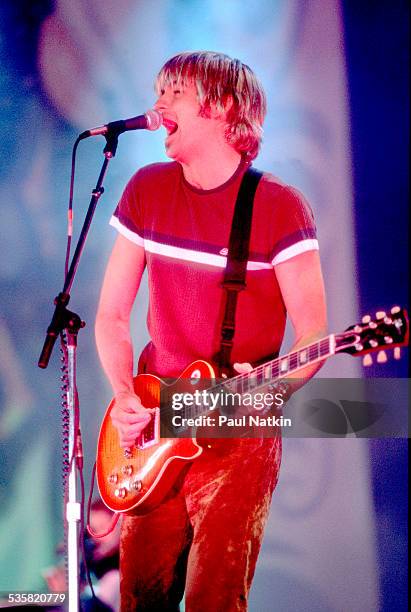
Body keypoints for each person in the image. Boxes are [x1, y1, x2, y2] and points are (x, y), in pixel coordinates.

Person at [95, 51, 327, 611]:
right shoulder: (146, 189)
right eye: (158, 90)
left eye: (173, 92)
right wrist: (124, 395)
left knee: (214, 599)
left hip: (237, 426)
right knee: (140, 598)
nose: (158, 105)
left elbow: (315, 331)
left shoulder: (279, 207)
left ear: (222, 105)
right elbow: (109, 315)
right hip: (155, 417)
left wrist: (275, 388)